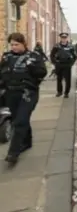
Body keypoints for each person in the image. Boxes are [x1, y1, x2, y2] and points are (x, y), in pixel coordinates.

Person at [0, 33, 47, 164]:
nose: (14, 47)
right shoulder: (7, 57)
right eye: (12, 44)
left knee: (20, 121)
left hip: (27, 93)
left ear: (24, 44)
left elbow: (42, 73)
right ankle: (27, 142)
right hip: (11, 94)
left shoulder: (34, 56)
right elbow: (2, 74)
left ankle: (13, 153)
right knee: (19, 119)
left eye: (16, 44)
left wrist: (31, 66)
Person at [50, 32, 76, 98]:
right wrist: (54, 63)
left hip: (67, 65)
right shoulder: (56, 46)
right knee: (59, 79)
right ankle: (59, 92)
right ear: (60, 38)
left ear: (67, 38)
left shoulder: (70, 46)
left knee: (68, 80)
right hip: (59, 65)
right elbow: (52, 55)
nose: (64, 39)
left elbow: (75, 56)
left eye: (65, 38)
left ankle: (66, 93)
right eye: (62, 38)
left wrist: (71, 63)